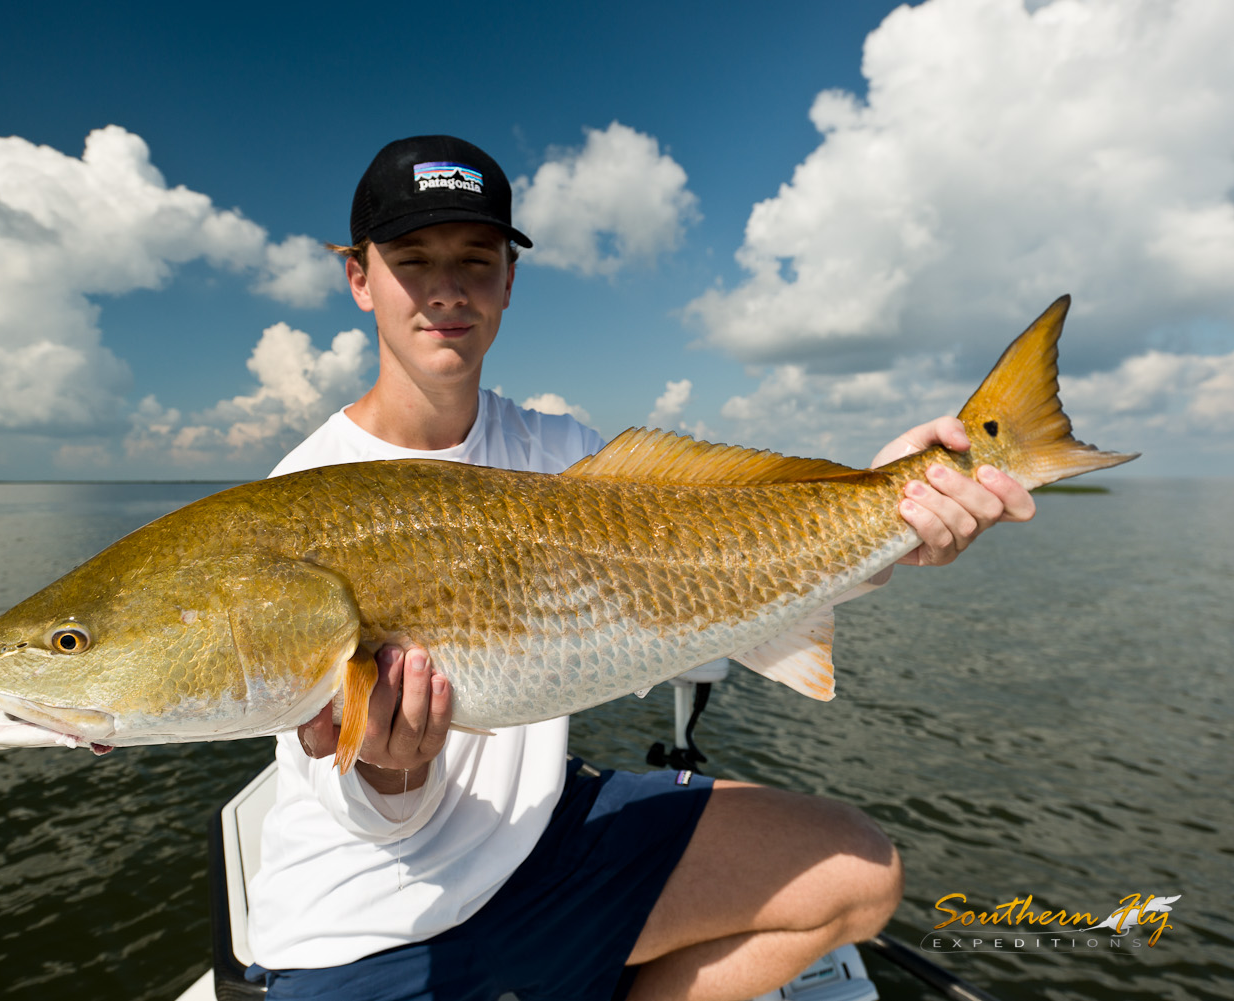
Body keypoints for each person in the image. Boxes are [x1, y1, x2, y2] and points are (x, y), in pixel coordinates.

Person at [245, 135, 1035, 1001]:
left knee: (863, 868)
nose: (446, 287)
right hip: (374, 913)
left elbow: (714, 583)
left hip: (536, 841)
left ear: (509, 280)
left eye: (476, 258)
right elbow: (357, 807)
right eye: (411, 259)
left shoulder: (567, 453)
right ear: (358, 278)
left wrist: (890, 510)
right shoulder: (298, 495)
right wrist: (391, 766)